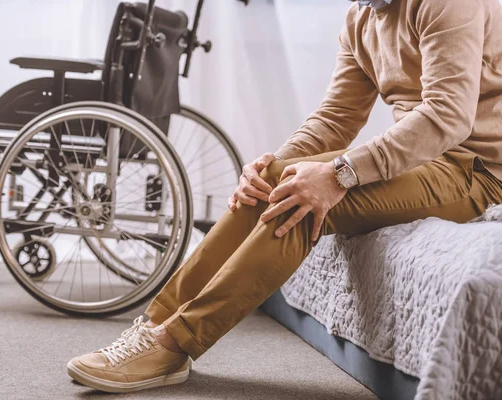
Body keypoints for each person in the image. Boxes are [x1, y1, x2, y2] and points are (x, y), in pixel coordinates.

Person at [67, 0, 502, 393]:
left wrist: (340, 174)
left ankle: (175, 343)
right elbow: (337, 116)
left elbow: (447, 116)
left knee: (301, 200)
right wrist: (270, 165)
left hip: (476, 168)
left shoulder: (447, 3)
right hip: (420, 157)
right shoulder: (361, 17)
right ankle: (155, 323)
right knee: (278, 180)